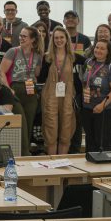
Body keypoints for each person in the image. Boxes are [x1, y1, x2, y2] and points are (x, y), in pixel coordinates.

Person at [0, 26, 42, 155]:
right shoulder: (13, 51)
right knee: (21, 122)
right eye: (20, 36)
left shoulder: (37, 55)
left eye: (24, 36)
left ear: (33, 39)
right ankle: (24, 154)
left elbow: (36, 73)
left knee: (29, 124)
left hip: (31, 89)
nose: (21, 38)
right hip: (15, 88)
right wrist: (8, 89)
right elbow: (1, 71)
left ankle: (25, 151)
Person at [80, 39, 111, 152]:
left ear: (108, 51)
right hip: (87, 108)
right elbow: (85, 80)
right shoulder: (89, 62)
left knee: (102, 142)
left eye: (102, 48)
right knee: (90, 141)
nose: (98, 50)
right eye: (97, 47)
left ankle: (106, 167)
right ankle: (91, 166)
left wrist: (102, 105)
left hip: (105, 110)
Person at [40, 26, 78, 155]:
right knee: (51, 131)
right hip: (50, 96)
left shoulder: (74, 58)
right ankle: (52, 168)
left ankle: (62, 166)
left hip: (67, 97)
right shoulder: (47, 58)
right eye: (56, 38)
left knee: (66, 130)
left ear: (67, 39)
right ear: (52, 40)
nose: (59, 40)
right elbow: (40, 77)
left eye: (62, 37)